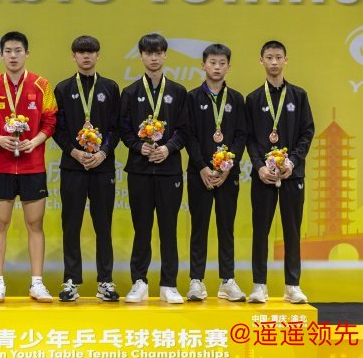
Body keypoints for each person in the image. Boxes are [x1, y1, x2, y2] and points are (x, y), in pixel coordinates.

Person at [0, 31, 57, 303]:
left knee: (35, 224)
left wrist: (35, 141)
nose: (13, 56)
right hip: (2, 167)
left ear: (27, 53)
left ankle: (37, 283)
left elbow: (50, 121)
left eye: (18, 51)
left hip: (32, 166)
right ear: (1, 55)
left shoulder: (41, 85)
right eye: (8, 51)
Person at [119, 33, 188, 304]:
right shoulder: (130, 92)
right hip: (139, 170)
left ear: (165, 55)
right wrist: (139, 147)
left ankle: (169, 284)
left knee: (169, 228)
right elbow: (124, 130)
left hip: (169, 170)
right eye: (149, 53)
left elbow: (185, 130)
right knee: (142, 228)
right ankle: (139, 282)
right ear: (141, 56)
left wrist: (168, 148)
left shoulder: (178, 92)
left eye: (158, 53)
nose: (154, 58)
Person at [245, 40, 314, 304]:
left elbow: (307, 132)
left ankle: (292, 286)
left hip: (291, 175)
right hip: (263, 176)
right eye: (269, 57)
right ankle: (259, 285)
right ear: (261, 60)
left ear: (286, 60)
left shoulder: (299, 95)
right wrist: (259, 166)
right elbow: (249, 138)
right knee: (260, 230)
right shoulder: (253, 99)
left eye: (278, 57)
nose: (274, 62)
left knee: (292, 231)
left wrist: (292, 162)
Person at [53, 35, 121, 302]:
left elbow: (117, 127)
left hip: (103, 167)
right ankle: (71, 281)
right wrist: (74, 152)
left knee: (103, 225)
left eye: (90, 52)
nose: (86, 56)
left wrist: (103, 153)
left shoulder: (110, 87)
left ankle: (105, 281)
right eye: (81, 52)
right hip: (73, 166)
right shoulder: (63, 88)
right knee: (71, 225)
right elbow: (57, 129)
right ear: (73, 56)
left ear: (97, 55)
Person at [185, 44, 247, 302]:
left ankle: (227, 280)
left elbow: (242, 135)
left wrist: (226, 167)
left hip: (227, 175)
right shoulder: (192, 98)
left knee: (226, 227)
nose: (217, 67)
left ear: (228, 67)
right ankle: (196, 281)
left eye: (222, 63)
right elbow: (188, 135)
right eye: (212, 62)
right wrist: (202, 166)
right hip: (199, 173)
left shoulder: (237, 99)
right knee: (199, 227)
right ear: (203, 65)